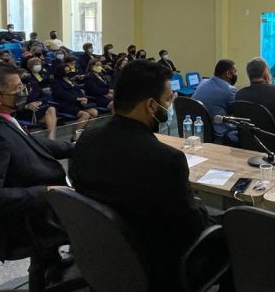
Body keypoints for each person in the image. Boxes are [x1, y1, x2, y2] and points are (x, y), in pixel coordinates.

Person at [69, 60, 209, 291]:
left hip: (104, 255)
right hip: (158, 265)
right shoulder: (167, 159)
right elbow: (190, 230)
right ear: (151, 105)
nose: (170, 105)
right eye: (168, 100)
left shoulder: (87, 139)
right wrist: (201, 207)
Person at [0, 62, 74, 288]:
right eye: (18, 89)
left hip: (36, 208)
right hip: (28, 220)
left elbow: (33, 144)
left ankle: (50, 266)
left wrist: (77, 147)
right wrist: (46, 191)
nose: (25, 92)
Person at [191, 59, 238, 144]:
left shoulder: (203, 82)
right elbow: (237, 114)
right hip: (219, 135)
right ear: (228, 73)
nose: (236, 74)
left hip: (198, 130)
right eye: (235, 71)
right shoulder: (230, 90)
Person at [50, 64, 98, 129]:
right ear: (61, 72)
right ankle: (75, 134)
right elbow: (63, 94)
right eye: (67, 71)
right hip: (65, 105)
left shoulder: (70, 80)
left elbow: (78, 91)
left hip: (76, 103)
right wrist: (77, 99)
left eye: (69, 70)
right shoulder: (55, 82)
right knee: (85, 115)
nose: (69, 72)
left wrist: (83, 98)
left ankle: (83, 131)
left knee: (94, 112)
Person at [20, 58, 57, 140]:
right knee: (51, 113)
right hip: (26, 111)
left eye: (27, 75)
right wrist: (27, 106)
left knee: (51, 110)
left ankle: (51, 138)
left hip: (38, 108)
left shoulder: (32, 84)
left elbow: (45, 96)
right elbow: (18, 103)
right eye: (24, 76)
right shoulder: (19, 88)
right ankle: (51, 139)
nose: (26, 77)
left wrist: (39, 102)